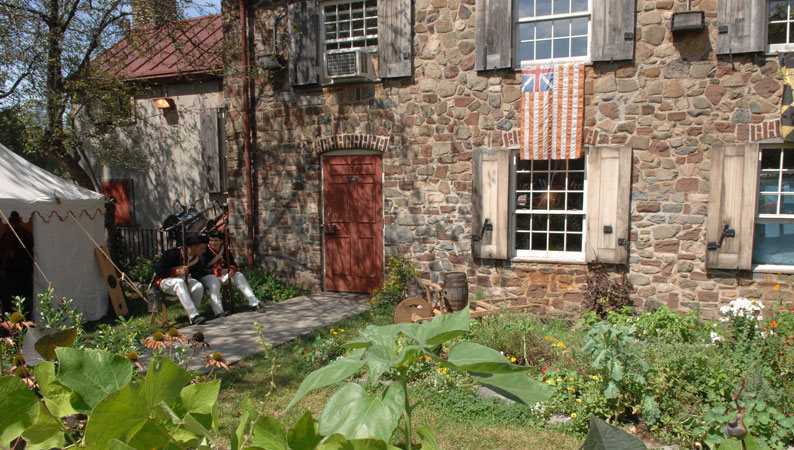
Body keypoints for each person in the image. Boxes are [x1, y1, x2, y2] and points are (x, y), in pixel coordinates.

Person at [198, 229, 266, 314]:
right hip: (209, 276)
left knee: (238, 275)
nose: (213, 243)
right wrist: (216, 271)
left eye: (216, 240)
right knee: (214, 281)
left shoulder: (224, 250)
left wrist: (231, 270)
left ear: (221, 241)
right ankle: (219, 312)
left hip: (222, 276)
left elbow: (233, 265)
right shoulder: (205, 251)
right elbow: (200, 269)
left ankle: (255, 303)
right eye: (211, 240)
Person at [154, 234, 216, 325]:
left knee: (198, 286)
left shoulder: (196, 259)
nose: (203, 251)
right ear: (193, 247)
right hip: (165, 280)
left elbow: (198, 273)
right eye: (201, 248)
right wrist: (175, 271)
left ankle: (194, 317)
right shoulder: (173, 254)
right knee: (179, 282)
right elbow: (159, 270)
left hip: (183, 279)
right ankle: (194, 315)